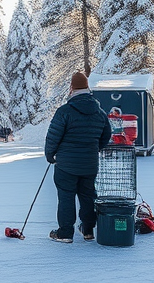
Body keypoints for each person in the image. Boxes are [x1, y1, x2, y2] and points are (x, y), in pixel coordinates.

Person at [44, 71, 112, 243]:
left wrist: (50, 154)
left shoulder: (65, 111)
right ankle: (88, 230)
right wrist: (93, 149)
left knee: (66, 196)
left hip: (66, 165)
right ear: (88, 88)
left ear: (71, 88)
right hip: (89, 164)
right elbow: (106, 135)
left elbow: (53, 136)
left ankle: (65, 233)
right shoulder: (99, 112)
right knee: (88, 196)